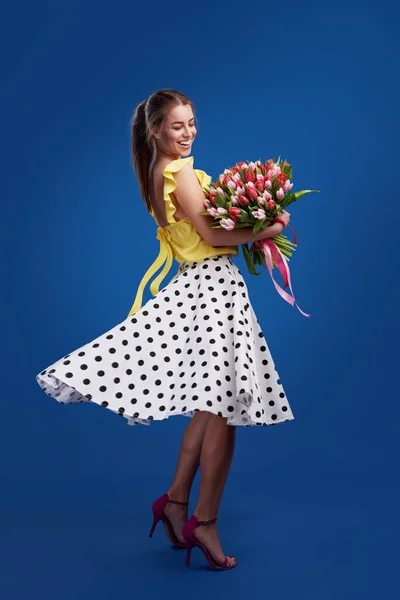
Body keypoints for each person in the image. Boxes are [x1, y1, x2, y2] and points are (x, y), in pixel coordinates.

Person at [36, 88, 294, 571]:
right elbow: (215, 237)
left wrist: (249, 216)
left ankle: (176, 503)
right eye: (177, 125)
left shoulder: (161, 173)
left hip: (199, 288)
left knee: (207, 407)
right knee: (224, 411)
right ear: (156, 130)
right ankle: (206, 521)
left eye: (192, 122)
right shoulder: (178, 173)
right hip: (211, 292)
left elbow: (204, 231)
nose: (188, 132)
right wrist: (268, 229)